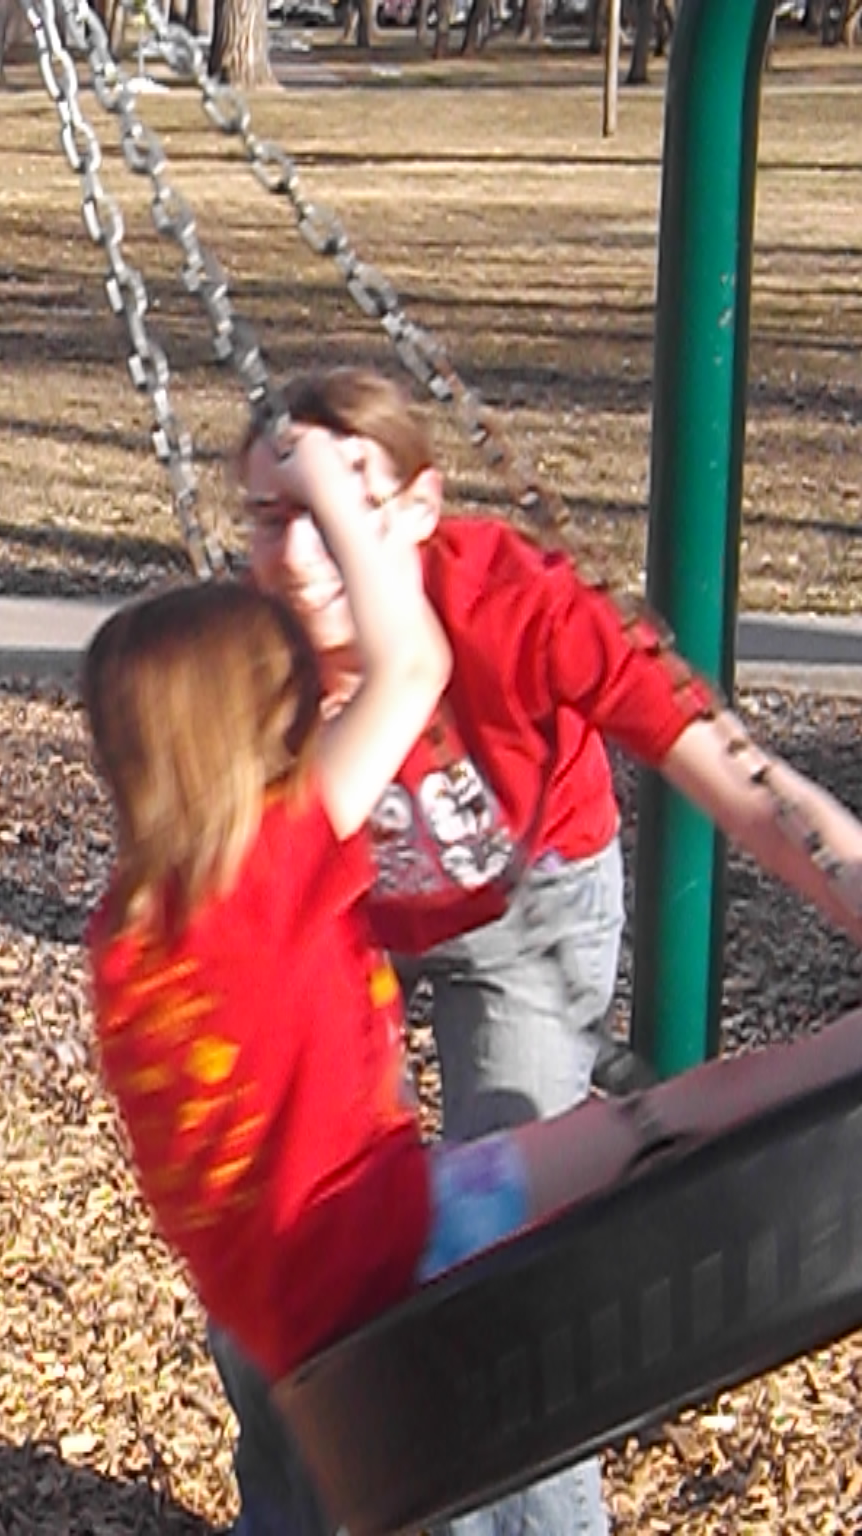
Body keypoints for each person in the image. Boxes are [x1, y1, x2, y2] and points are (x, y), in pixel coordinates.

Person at [205, 366, 862, 1536]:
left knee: (507, 1262)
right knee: (271, 1256)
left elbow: (748, 789)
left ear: (420, 506)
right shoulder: (244, 657)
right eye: (268, 516)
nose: (298, 557)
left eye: (336, 510)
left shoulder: (516, 604)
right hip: (345, 932)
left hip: (526, 913)